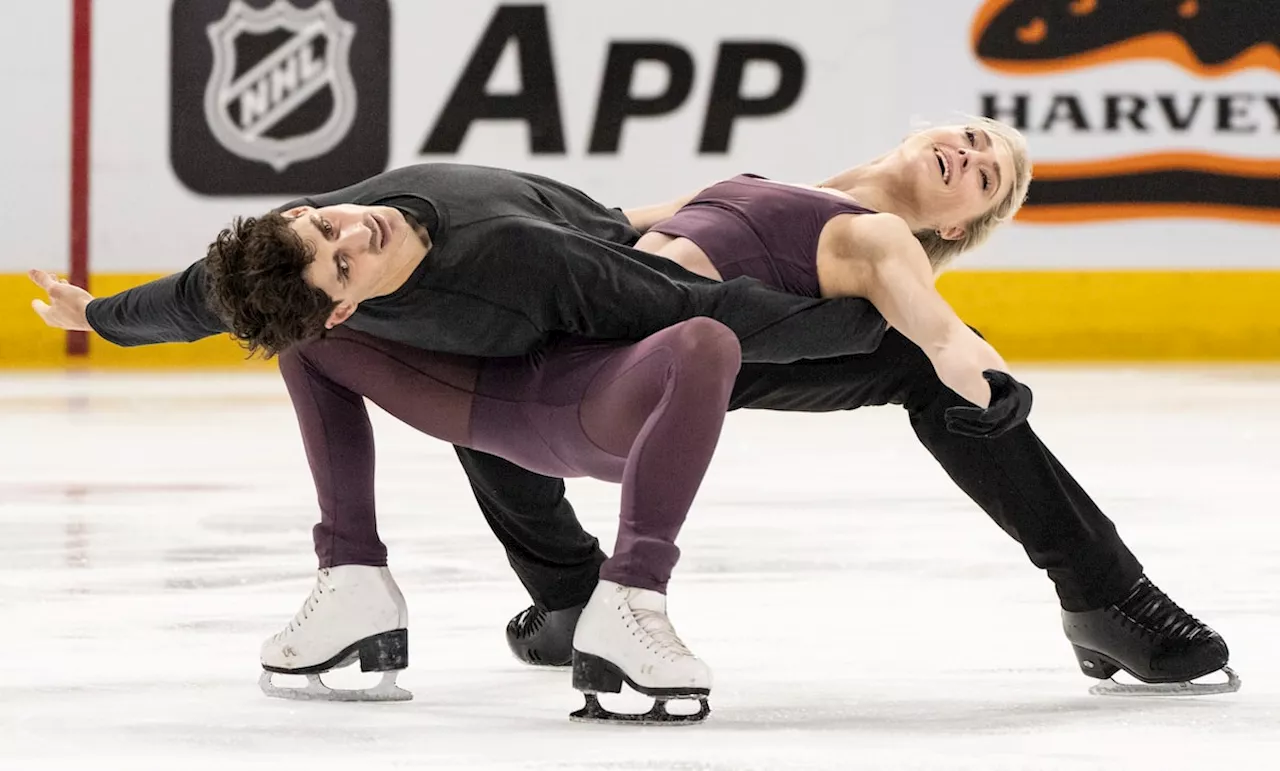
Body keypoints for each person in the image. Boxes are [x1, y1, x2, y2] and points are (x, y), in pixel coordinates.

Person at [27, 122, 1229, 712]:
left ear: (964, 227)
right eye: (967, 140)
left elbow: (711, 294)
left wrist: (948, 348)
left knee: (880, 369)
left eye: (991, 175)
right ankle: (557, 598)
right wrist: (104, 316)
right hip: (601, 296)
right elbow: (221, 283)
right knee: (478, 350)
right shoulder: (764, 177)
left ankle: (1100, 595)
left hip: (712, 320)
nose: (972, 154)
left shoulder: (880, 239)